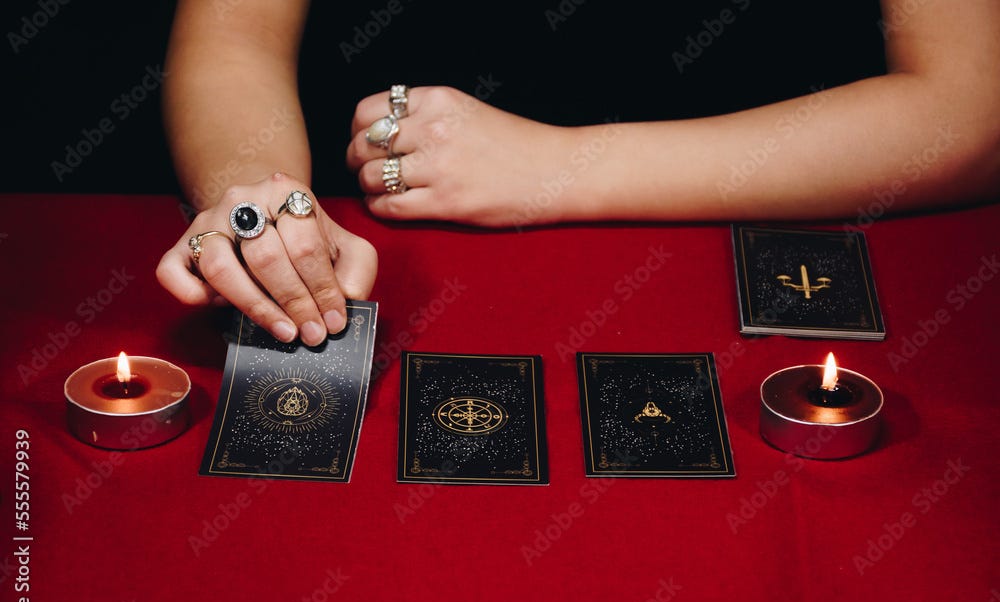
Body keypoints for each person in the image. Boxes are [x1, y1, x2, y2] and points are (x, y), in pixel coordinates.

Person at [157, 0, 1000, 346]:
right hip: (394, 265)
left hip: (758, 267)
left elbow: (971, 107)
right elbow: (234, 38)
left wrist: (563, 165)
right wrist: (265, 198)